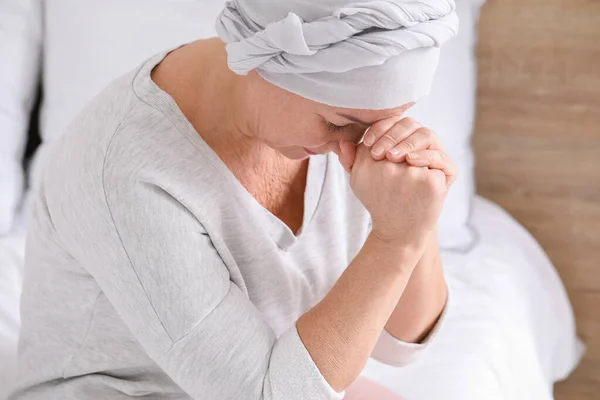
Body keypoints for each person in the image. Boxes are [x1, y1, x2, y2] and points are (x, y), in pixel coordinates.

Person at [9, 0, 459, 399]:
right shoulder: (129, 167)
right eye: (339, 124)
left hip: (287, 375)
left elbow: (398, 342)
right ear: (264, 62)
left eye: (386, 123)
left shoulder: (344, 121)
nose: (357, 149)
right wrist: (394, 241)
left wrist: (416, 219)